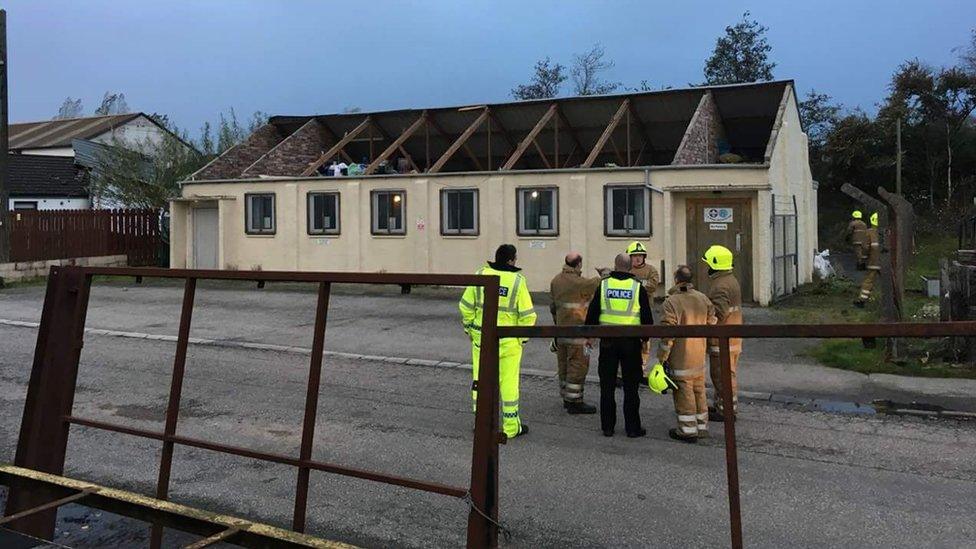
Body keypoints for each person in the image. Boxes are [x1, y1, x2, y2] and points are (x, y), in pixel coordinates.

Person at [459, 244, 537, 438]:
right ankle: (511, 427)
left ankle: (481, 424)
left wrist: (469, 328)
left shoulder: (480, 275)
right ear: (511, 260)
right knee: (509, 383)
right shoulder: (518, 281)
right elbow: (528, 316)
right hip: (509, 341)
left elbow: (466, 306)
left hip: (482, 338)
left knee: (480, 380)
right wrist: (522, 339)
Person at [585, 253, 653, 438]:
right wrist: (646, 339)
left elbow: (592, 313)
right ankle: (632, 428)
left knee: (607, 386)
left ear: (614, 266)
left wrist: (589, 335)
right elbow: (647, 318)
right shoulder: (637, 287)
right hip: (631, 342)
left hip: (608, 341)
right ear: (630, 266)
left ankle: (608, 427)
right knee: (631, 387)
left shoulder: (604, 285)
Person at [655, 265, 716, 443]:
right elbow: (712, 322)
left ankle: (687, 430)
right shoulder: (703, 298)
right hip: (699, 355)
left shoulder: (671, 302)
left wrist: (661, 358)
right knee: (699, 390)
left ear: (676, 280)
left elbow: (668, 335)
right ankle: (702, 426)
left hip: (681, 357)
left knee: (684, 392)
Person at [549, 252, 601, 414]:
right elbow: (597, 284)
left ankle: (566, 396)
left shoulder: (556, 281)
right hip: (577, 332)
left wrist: (557, 325)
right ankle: (574, 401)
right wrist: (605, 273)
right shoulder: (579, 282)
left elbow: (552, 307)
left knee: (563, 364)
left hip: (561, 330)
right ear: (578, 265)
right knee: (577, 366)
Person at [701, 245, 743, 422]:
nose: (706, 267)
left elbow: (719, 313)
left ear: (714, 264)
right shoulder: (730, 280)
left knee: (721, 376)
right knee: (727, 374)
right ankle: (723, 406)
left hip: (722, 340)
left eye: (708, 263)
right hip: (733, 337)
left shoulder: (719, 286)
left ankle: (726, 411)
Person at [626, 241, 660, 379]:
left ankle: (641, 369)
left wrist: (634, 284)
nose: (638, 258)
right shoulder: (626, 270)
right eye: (634, 255)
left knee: (645, 341)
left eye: (640, 255)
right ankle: (625, 370)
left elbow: (652, 286)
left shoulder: (651, 270)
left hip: (645, 309)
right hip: (628, 311)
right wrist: (642, 284)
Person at [853, 212, 881, 308]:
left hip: (873, 262)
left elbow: (865, 248)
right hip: (886, 263)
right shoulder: (887, 232)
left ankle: (862, 300)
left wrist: (863, 260)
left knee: (868, 281)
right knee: (890, 281)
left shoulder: (869, 232)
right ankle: (892, 300)